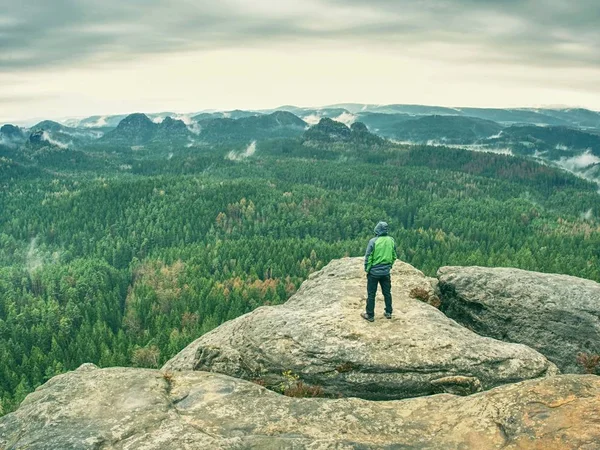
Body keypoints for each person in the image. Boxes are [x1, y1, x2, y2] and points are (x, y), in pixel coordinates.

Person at [361, 221, 397, 322]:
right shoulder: (391, 240)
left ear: (377, 230)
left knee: (371, 294)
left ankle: (370, 315)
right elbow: (394, 256)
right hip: (386, 272)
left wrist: (367, 269)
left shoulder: (373, 241)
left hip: (374, 273)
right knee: (387, 293)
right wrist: (389, 266)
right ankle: (389, 312)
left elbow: (368, 257)